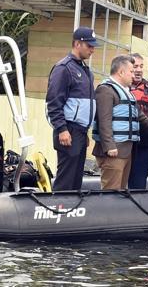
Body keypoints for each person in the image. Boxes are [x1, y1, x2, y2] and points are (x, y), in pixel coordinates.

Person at [45, 27, 98, 191]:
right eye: (89, 46)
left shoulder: (85, 69)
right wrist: (61, 129)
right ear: (77, 44)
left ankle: (72, 212)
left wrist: (85, 132)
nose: (92, 50)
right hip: (68, 129)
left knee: (76, 178)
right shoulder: (64, 68)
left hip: (80, 131)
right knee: (66, 178)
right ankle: (59, 209)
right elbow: (53, 102)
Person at [91, 55, 148, 190]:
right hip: (114, 151)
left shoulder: (127, 92)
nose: (134, 75)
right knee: (111, 191)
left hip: (126, 150)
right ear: (121, 72)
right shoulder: (106, 90)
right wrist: (109, 146)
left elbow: (141, 118)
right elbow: (104, 120)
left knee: (121, 191)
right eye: (131, 71)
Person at [127, 53, 148, 189]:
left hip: (145, 140)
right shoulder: (120, 88)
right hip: (125, 141)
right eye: (135, 66)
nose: (139, 70)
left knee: (140, 178)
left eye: (141, 66)